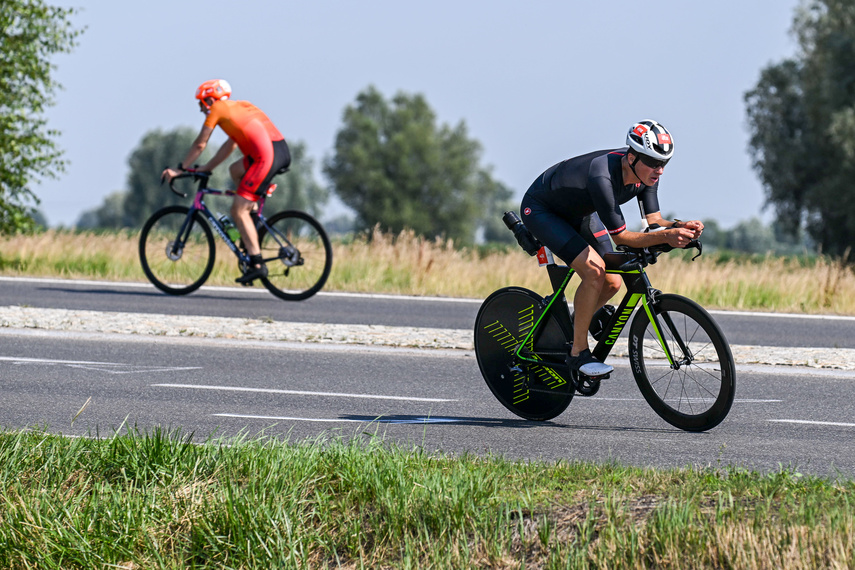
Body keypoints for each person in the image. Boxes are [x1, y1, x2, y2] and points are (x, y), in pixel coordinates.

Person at [520, 119, 703, 377]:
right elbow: (623, 238)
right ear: (631, 157)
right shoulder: (602, 175)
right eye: (652, 162)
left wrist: (679, 226)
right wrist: (669, 236)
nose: (659, 170)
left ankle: (572, 331)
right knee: (594, 272)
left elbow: (654, 222)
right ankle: (578, 353)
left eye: (664, 163)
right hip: (542, 210)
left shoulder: (648, 175)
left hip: (580, 213)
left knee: (613, 282)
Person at [161, 79, 291, 284]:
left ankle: (257, 263)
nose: (202, 109)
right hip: (277, 151)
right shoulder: (236, 108)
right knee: (235, 170)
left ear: (210, 99)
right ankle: (253, 224)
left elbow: (200, 144)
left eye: (202, 104)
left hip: (266, 157)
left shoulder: (218, 109)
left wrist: (180, 169)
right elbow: (229, 147)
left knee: (238, 210)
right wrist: (205, 169)